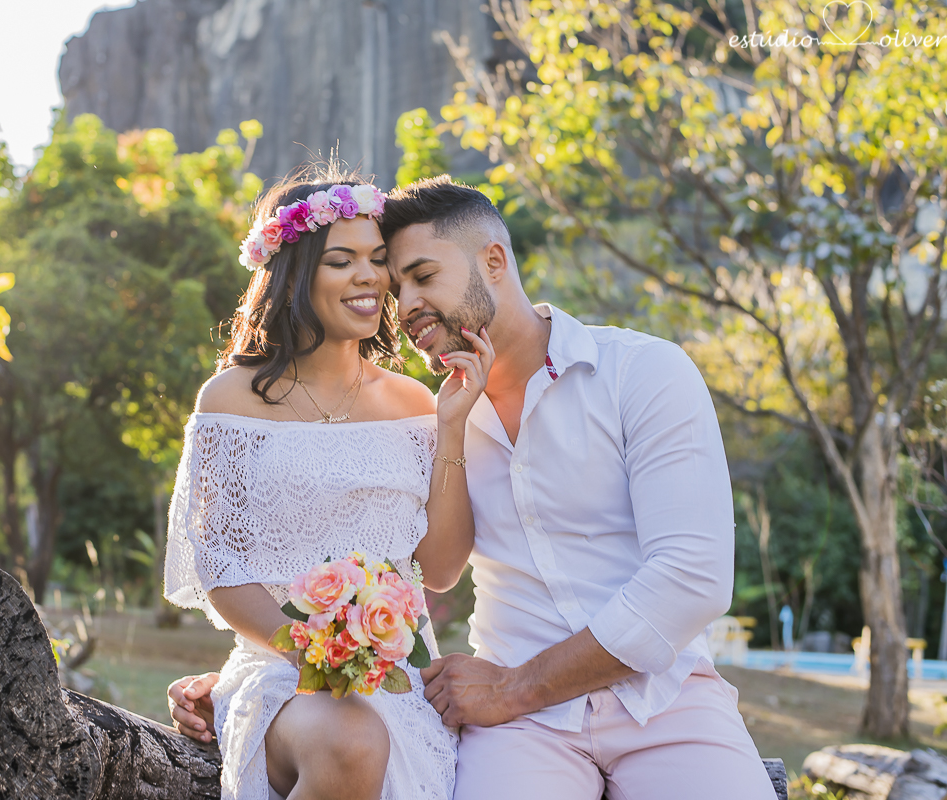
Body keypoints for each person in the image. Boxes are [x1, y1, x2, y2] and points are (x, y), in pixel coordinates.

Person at [169, 176, 777, 800]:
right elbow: (243, 557)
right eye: (393, 281)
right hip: (515, 726)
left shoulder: (641, 374)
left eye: (416, 275)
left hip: (659, 698)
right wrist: (276, 662)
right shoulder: (439, 410)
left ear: (494, 259)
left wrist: (513, 687)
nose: (400, 302)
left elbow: (691, 577)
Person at [162, 171, 494, 800]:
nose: (369, 277)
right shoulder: (230, 399)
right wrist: (317, 654)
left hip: (398, 673)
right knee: (350, 740)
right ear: (295, 273)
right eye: (342, 261)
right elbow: (222, 568)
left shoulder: (415, 402)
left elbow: (441, 569)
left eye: (378, 261)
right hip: (283, 673)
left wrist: (450, 430)